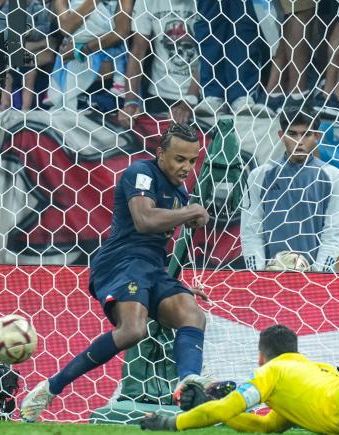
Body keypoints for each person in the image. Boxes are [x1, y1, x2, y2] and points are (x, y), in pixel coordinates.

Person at [20, 123, 212, 421]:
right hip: (120, 261)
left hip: (152, 268)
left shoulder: (180, 191)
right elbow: (144, 220)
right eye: (179, 159)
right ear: (161, 154)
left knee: (192, 313)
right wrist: (193, 211)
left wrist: (178, 285)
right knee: (132, 330)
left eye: (191, 160)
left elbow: (159, 243)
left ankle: (188, 382)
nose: (187, 167)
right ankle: (51, 387)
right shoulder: (141, 173)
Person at [140, 322, 339, 434]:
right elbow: (269, 425)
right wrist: (219, 407)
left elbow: (227, 410)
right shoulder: (314, 369)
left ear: (261, 355)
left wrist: (174, 423)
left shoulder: (269, 372)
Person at [240, 108, 339, 272]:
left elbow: (334, 234)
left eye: (306, 134)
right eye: (292, 134)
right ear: (281, 135)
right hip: (268, 277)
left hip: (315, 280)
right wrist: (257, 273)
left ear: (317, 136)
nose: (299, 141)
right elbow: (251, 231)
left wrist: (318, 274)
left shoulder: (334, 177)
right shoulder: (259, 176)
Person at [119, 0, 200, 127]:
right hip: (158, 95)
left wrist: (189, 100)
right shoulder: (147, 2)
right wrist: (130, 102)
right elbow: (137, 52)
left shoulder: (206, 3)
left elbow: (209, 56)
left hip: (200, 97)